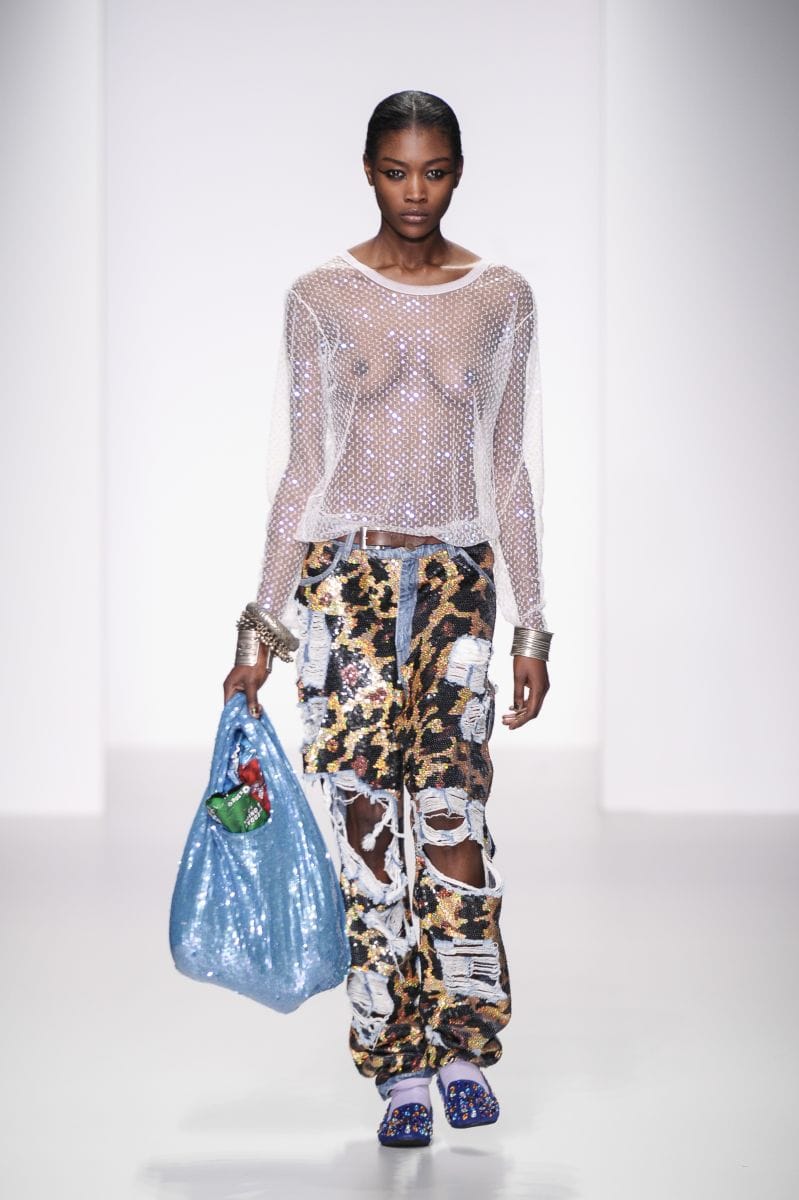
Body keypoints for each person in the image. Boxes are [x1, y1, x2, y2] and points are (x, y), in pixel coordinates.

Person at [224, 90, 552, 1148]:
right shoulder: (320, 297)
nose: (417, 192)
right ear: (368, 169)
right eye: (398, 170)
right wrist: (258, 631)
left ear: (458, 171)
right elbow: (303, 469)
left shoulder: (499, 297)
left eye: (436, 170)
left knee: (453, 822)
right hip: (347, 592)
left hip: (458, 585)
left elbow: (507, 467)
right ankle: (396, 1062)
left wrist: (532, 627)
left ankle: (464, 1046)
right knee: (364, 828)